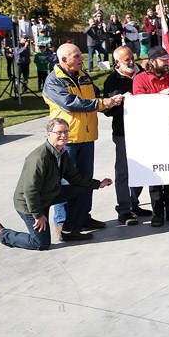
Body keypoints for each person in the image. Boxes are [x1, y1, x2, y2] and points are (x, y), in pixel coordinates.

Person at [0, 118, 112, 250]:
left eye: (66, 132)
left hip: (49, 194)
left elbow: (75, 177)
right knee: (41, 244)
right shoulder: (39, 158)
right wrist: (38, 215)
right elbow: (30, 191)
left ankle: (69, 231)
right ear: (48, 133)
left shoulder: (62, 153)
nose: (64, 135)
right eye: (59, 132)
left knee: (83, 190)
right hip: (29, 203)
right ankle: (3, 234)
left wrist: (98, 184)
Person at [43, 43, 120, 240]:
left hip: (87, 137)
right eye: (76, 56)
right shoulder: (53, 81)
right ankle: (63, 225)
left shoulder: (83, 75)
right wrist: (104, 103)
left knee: (86, 180)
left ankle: (83, 217)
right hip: (66, 142)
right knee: (65, 184)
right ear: (63, 60)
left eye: (80, 55)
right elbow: (71, 104)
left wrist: (115, 102)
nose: (81, 59)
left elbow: (95, 96)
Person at [132, 46, 169, 227]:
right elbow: (139, 103)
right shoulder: (140, 79)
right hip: (151, 134)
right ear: (152, 61)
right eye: (163, 59)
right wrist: (159, 95)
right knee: (155, 176)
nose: (167, 62)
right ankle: (157, 213)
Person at [102, 46, 153, 225]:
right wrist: (121, 101)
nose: (131, 62)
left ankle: (134, 202)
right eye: (126, 61)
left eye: (132, 58)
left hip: (146, 130)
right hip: (123, 132)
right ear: (117, 62)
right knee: (124, 171)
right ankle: (124, 210)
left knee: (144, 168)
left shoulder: (144, 72)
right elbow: (107, 111)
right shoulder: (111, 81)